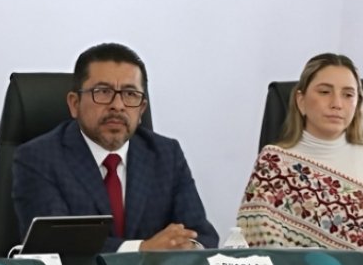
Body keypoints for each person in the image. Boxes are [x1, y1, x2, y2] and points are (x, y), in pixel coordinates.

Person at [12, 43, 219, 251]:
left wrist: (188, 247)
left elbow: (202, 235)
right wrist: (141, 250)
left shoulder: (166, 155)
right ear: (74, 104)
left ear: (141, 110)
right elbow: (54, 244)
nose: (118, 105)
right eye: (103, 92)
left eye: (130, 94)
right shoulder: (38, 158)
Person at [237, 53, 363, 258]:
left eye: (348, 95)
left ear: (357, 104)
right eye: (325, 92)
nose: (337, 103)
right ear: (301, 101)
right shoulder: (274, 164)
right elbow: (260, 248)